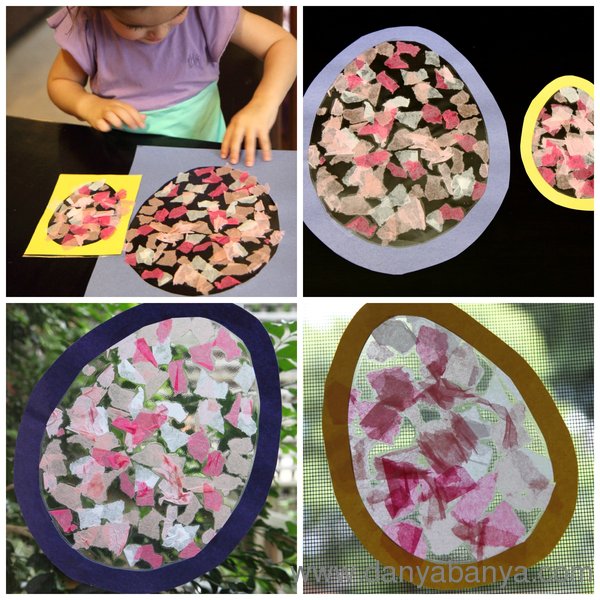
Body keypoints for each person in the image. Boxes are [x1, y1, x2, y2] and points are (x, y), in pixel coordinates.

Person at [47, 6, 296, 166]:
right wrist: (85, 103)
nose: (159, 34)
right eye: (135, 26)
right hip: (122, 159)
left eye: (178, 14)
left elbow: (283, 45)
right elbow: (61, 82)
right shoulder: (88, 21)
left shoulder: (206, 10)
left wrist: (264, 103)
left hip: (205, 156)